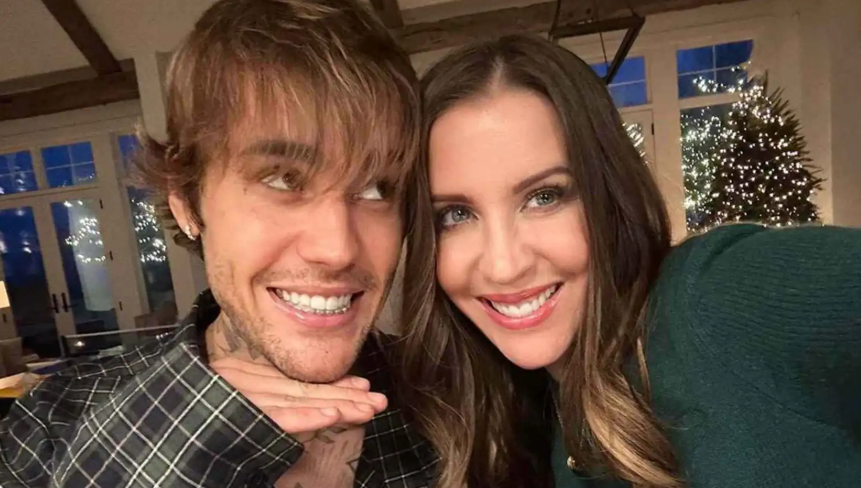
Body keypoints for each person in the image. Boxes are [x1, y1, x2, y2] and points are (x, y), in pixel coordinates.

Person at [0, 1, 437, 487]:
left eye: (376, 188)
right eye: (282, 179)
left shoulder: (449, 404)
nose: (338, 249)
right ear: (187, 203)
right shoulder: (52, 425)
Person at [398, 33, 861, 488]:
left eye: (545, 196)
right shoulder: (519, 411)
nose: (504, 265)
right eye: (455, 214)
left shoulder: (716, 300)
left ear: (610, 194)